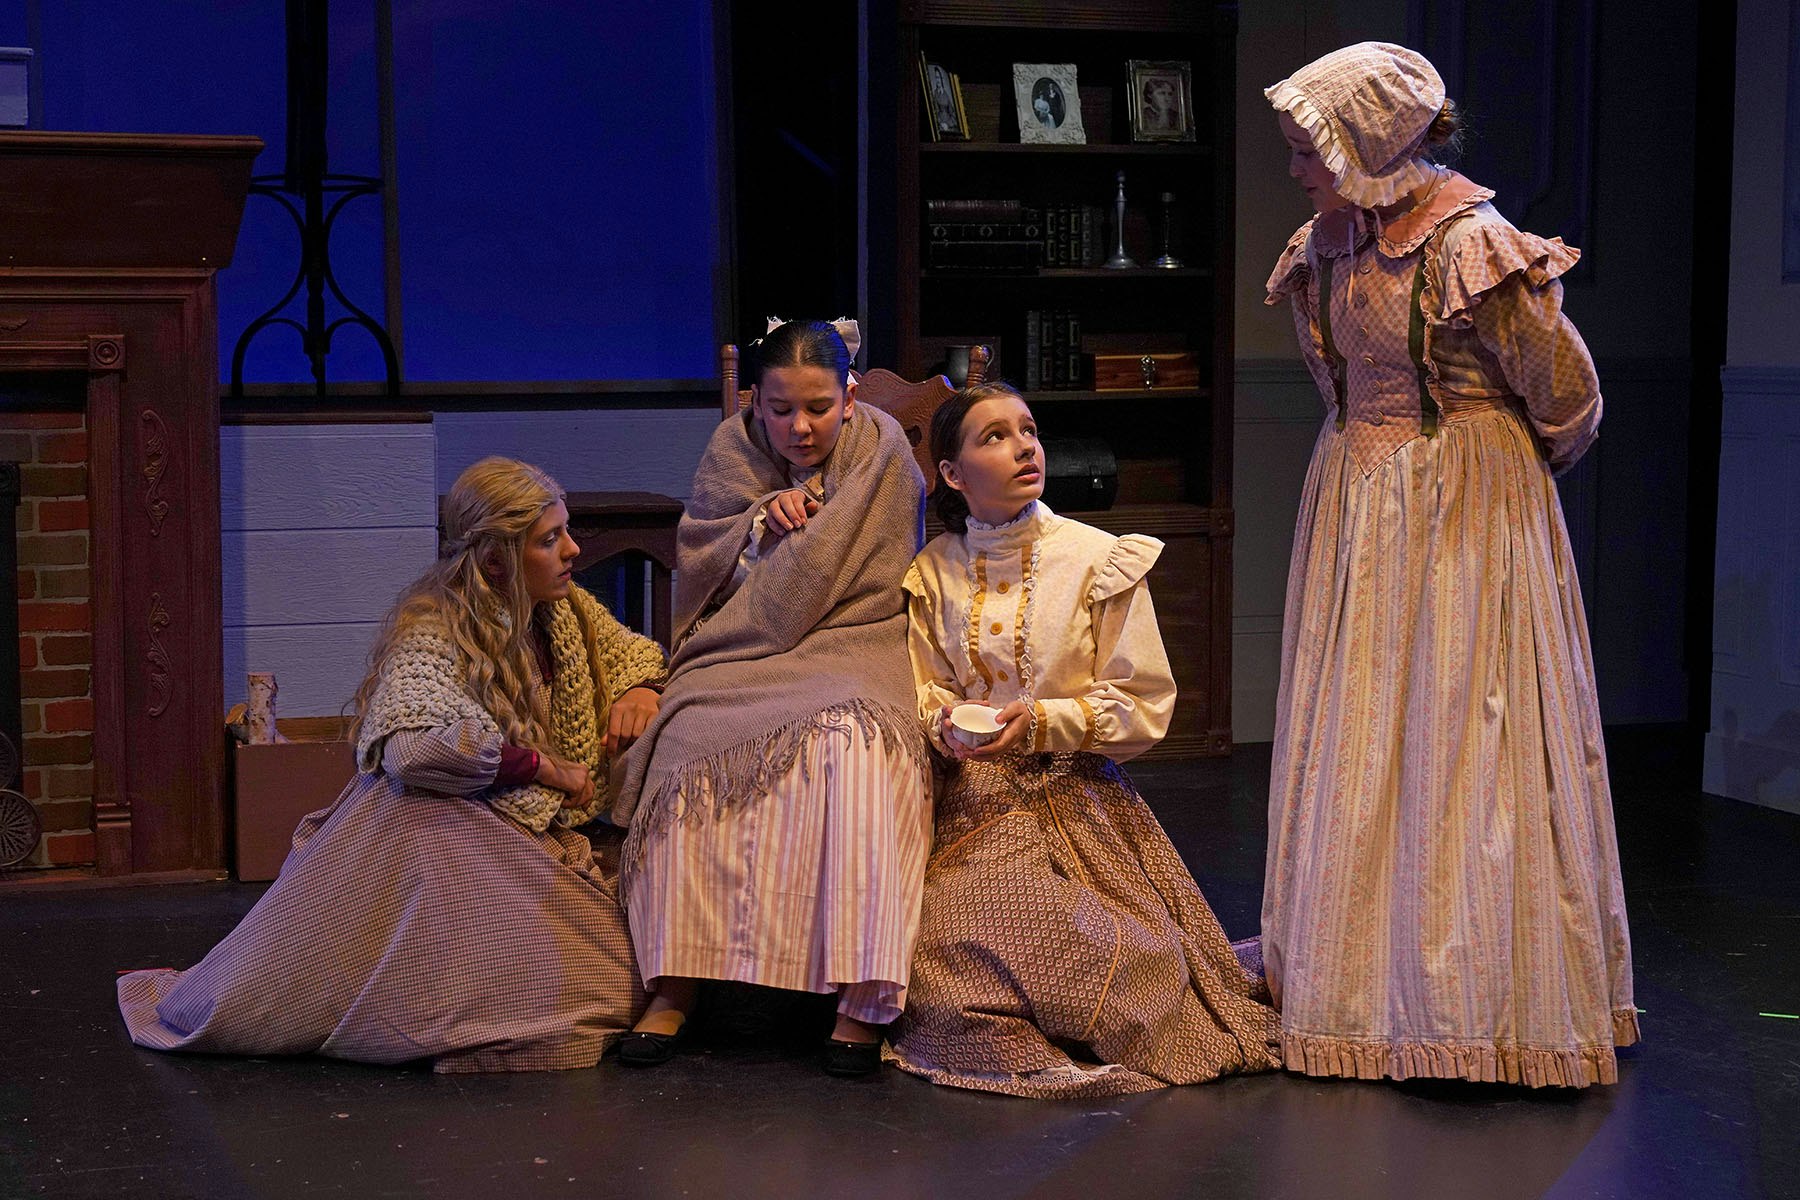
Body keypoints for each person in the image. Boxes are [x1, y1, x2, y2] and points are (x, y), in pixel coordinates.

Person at [1260, 42, 1637, 1087]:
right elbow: (1340, 383)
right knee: (1365, 728)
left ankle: (1471, 999)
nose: (1296, 170)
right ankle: (1355, 989)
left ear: (1375, 143)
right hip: (1354, 496)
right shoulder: (1329, 242)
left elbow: (1568, 396)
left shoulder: (1475, 245)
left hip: (1468, 504)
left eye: (1310, 150)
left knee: (1467, 730)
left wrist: (1494, 467)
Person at [117, 458, 668, 1072]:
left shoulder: (565, 612)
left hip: (544, 833)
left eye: (566, 531)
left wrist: (638, 687)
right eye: (549, 540)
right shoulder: (437, 630)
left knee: (625, 972)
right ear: (494, 559)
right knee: (592, 982)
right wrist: (542, 767)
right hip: (471, 823)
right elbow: (412, 747)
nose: (572, 549)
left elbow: (633, 653)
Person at [887, 382, 1282, 1098]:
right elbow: (919, 687)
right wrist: (942, 723)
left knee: (1125, 961)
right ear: (951, 473)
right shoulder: (932, 571)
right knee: (946, 951)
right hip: (970, 804)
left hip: (1073, 796)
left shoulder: (1098, 560)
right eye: (995, 436)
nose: (1024, 447)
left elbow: (1142, 704)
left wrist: (1042, 722)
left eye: (1028, 430)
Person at [612, 318, 931, 1077]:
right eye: (781, 408)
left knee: (853, 746)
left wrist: (802, 539)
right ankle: (676, 984)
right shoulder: (734, 446)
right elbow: (701, 560)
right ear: (756, 401)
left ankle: (859, 1000)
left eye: (818, 406)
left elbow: (881, 566)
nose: (799, 426)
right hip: (742, 646)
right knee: (687, 744)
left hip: (855, 638)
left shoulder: (882, 448)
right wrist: (759, 524)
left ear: (849, 398)